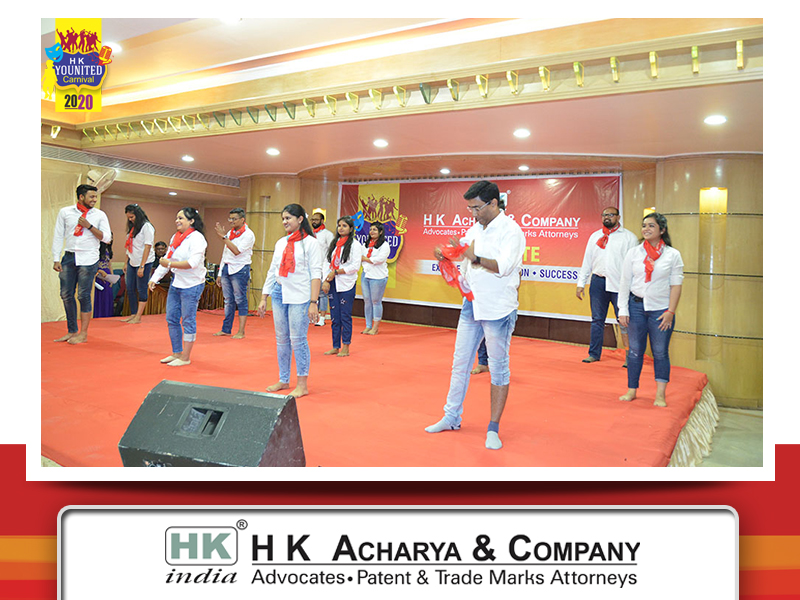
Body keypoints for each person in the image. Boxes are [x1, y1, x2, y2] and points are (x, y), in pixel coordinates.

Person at [425, 180, 525, 450]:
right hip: (471, 304)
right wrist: (445, 256)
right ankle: (451, 416)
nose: (473, 213)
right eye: (470, 208)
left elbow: (504, 267)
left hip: (498, 309)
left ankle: (493, 428)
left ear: (493, 203)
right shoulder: (474, 229)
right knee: (460, 363)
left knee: (498, 368)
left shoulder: (512, 231)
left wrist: (475, 257)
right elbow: (465, 258)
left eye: (477, 208)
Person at [617, 212, 684, 407]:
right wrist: (623, 309)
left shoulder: (672, 255)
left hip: (661, 311)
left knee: (660, 352)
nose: (646, 229)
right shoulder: (634, 253)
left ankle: (660, 395)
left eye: (651, 226)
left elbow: (676, 286)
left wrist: (670, 312)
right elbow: (625, 282)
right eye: (644, 225)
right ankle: (632, 390)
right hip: (635, 307)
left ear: (662, 230)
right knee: (635, 351)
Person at [257, 204, 321, 398]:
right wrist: (264, 296)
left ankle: (302, 384)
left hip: (300, 296)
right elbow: (273, 270)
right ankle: (284, 379)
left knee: (298, 340)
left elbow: (316, 274)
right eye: (283, 218)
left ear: (300, 219)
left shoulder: (311, 243)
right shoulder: (280, 243)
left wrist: (313, 302)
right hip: (279, 292)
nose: (284, 222)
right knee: (282, 339)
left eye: (288, 218)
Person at [576, 206, 638, 365]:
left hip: (620, 284)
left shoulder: (629, 237)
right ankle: (594, 354)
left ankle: (630, 356)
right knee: (597, 320)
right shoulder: (595, 236)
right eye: (604, 215)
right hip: (598, 282)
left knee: (624, 321)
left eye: (611, 215)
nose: (607, 217)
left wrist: (632, 287)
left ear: (618, 217)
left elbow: (634, 265)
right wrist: (581, 283)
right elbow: (587, 261)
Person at [51, 184, 112, 344]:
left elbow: (107, 238)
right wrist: (56, 258)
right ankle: (72, 331)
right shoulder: (65, 212)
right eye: (91, 196)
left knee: (83, 295)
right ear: (81, 197)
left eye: (95, 197)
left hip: (89, 258)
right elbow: (58, 235)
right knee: (65, 294)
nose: (94, 200)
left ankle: (83, 333)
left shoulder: (99, 215)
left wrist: (89, 226)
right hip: (69, 257)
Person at [147, 207, 208, 367]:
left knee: (188, 320)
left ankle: (185, 357)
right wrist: (155, 278)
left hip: (192, 284)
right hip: (177, 282)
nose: (177, 221)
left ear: (191, 221)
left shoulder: (197, 238)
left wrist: (169, 264)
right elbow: (167, 259)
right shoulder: (176, 237)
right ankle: (177, 352)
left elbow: (192, 263)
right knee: (172, 318)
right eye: (177, 218)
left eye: (181, 218)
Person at [322, 216, 362, 357]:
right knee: (334, 316)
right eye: (339, 225)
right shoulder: (335, 244)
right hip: (333, 283)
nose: (341, 228)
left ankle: (346, 346)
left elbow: (355, 266)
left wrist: (336, 272)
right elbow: (327, 262)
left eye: (344, 226)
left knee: (345, 316)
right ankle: (335, 346)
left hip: (346, 284)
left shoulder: (355, 245)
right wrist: (326, 280)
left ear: (351, 229)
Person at [213, 207, 255, 339]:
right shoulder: (230, 233)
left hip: (240, 269)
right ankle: (226, 329)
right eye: (230, 218)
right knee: (228, 300)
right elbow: (225, 253)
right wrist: (220, 273)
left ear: (242, 219)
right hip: (227, 267)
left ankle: (241, 331)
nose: (231, 221)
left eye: (234, 219)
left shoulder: (248, 234)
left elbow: (236, 251)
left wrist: (224, 237)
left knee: (240, 299)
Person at [121, 203, 156, 324]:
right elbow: (129, 246)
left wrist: (142, 266)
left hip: (144, 262)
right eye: (128, 218)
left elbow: (147, 247)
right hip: (132, 261)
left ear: (138, 215)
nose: (130, 220)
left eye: (132, 217)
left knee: (141, 288)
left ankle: (139, 316)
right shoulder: (132, 228)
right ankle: (133, 313)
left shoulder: (147, 226)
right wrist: (126, 263)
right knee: (130, 288)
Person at [360, 221, 391, 335]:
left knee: (376, 301)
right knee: (367, 301)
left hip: (378, 276)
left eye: (375, 230)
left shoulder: (384, 245)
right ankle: (368, 325)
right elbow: (359, 256)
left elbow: (379, 260)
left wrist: (365, 259)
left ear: (381, 232)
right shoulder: (366, 243)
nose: (371, 231)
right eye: (370, 229)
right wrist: (364, 259)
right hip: (366, 274)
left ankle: (375, 327)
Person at [310, 208, 334, 325]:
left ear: (322, 221)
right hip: (311, 267)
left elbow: (332, 251)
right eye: (312, 219)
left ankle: (323, 317)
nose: (314, 221)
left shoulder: (327, 234)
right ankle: (313, 316)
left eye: (316, 219)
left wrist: (328, 268)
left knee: (322, 293)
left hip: (323, 266)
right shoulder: (310, 234)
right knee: (312, 293)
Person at [93, 239, 116, 318]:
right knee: (99, 296)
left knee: (107, 296)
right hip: (99, 275)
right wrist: (99, 272)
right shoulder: (97, 249)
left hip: (107, 274)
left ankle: (107, 315)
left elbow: (109, 264)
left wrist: (112, 277)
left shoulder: (108, 250)